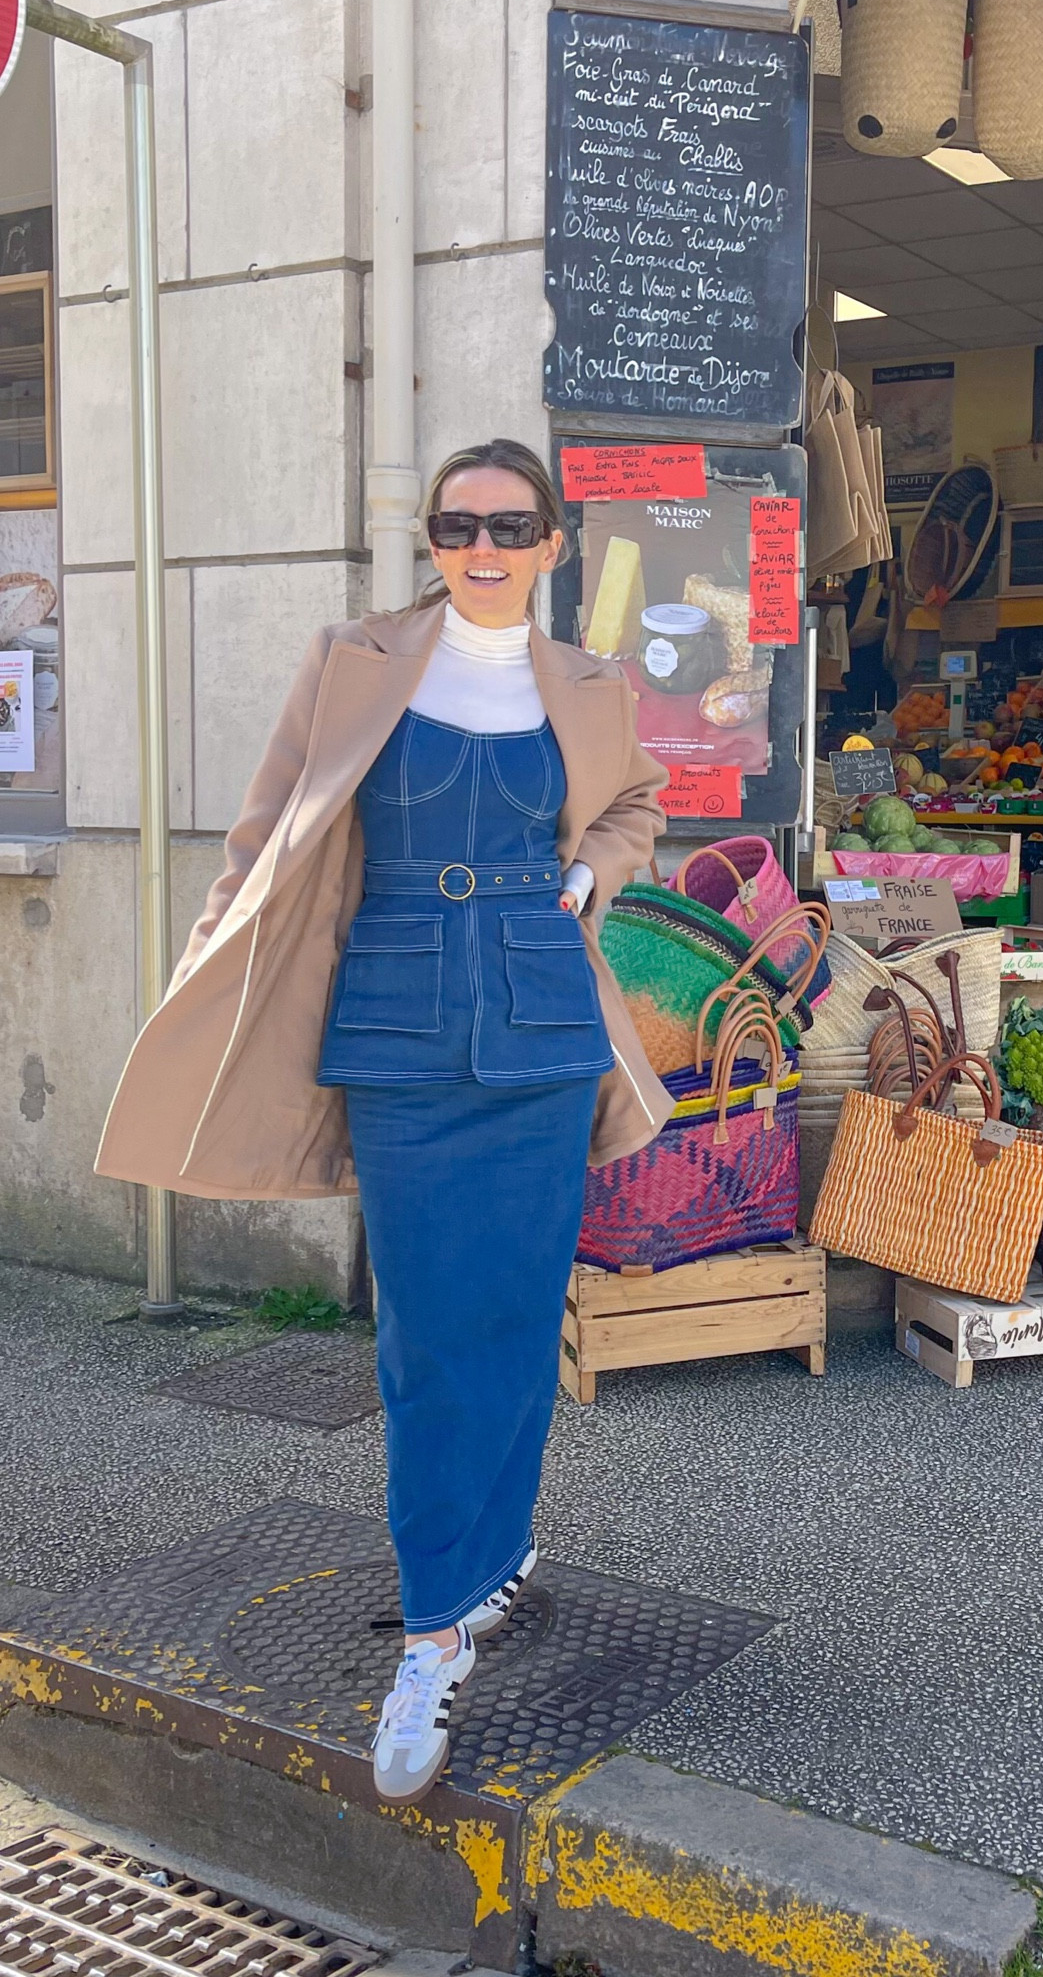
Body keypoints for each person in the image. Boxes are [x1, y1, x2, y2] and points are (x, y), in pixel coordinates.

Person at [96, 439, 672, 1805]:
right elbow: (265, 833)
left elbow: (640, 804)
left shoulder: (591, 684)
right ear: (431, 541)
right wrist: (213, 963)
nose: (482, 548)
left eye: (510, 526)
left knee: (520, 1313)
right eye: (457, 525)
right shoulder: (352, 659)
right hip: (399, 1031)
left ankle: (496, 1557)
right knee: (423, 1331)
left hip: (537, 1027)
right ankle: (432, 1632)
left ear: (551, 541)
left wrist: (591, 875)